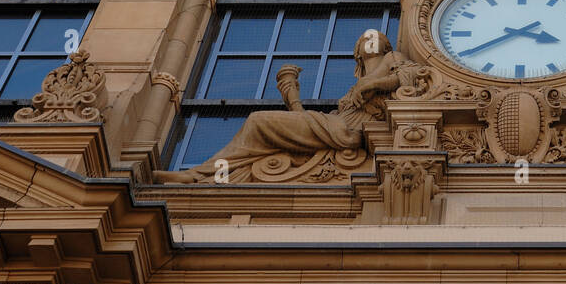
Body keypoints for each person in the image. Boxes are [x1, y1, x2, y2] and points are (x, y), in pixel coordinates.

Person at [158, 29, 416, 183]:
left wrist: (371, 86)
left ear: (387, 46)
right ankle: (210, 175)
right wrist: (292, 98)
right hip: (334, 127)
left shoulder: (392, 59)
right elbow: (309, 122)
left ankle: (200, 175)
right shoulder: (353, 86)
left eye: (376, 37)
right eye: (365, 39)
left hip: (348, 131)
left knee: (258, 122)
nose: (371, 38)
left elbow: (408, 78)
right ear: (358, 52)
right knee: (262, 134)